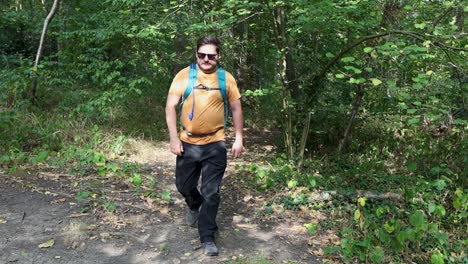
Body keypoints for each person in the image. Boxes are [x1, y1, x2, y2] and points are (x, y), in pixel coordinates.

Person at [165, 36, 243, 256]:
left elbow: (236, 108)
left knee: (212, 193)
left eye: (211, 55)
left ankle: (207, 236)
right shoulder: (183, 75)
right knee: (183, 185)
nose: (206, 59)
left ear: (218, 56)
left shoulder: (226, 79)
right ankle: (193, 203)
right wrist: (173, 138)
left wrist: (239, 138)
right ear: (196, 54)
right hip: (187, 142)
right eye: (202, 55)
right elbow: (170, 107)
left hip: (215, 143)